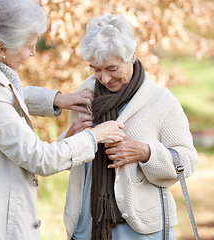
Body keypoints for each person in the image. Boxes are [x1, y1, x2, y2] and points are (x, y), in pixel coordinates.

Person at [0, 2, 126, 240]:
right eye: (29, 45)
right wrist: (94, 137)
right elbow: (39, 158)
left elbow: (9, 95)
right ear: (2, 48)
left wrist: (57, 100)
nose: (33, 52)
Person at [61, 13, 199, 240]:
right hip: (87, 226)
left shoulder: (160, 100)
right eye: (96, 69)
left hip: (143, 229)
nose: (104, 78)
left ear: (132, 55)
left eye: (112, 68)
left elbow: (188, 160)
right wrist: (70, 138)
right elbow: (69, 159)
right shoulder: (85, 95)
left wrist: (146, 153)